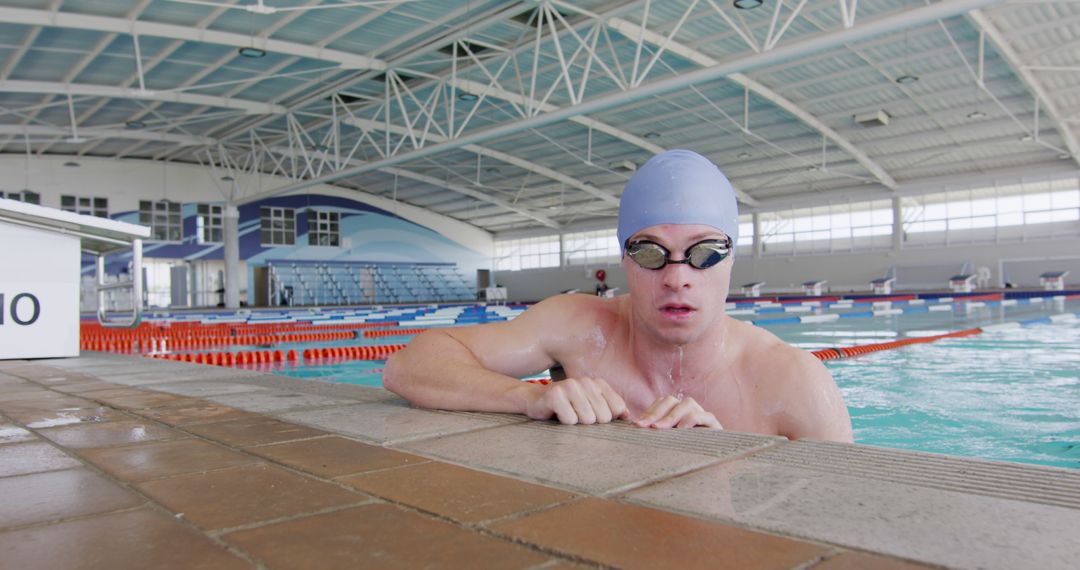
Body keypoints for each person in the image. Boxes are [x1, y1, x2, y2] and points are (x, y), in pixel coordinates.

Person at [384, 150, 853, 442]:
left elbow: (844, 530)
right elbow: (408, 366)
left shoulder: (794, 384)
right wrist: (527, 397)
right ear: (625, 261)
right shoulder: (578, 327)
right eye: (651, 253)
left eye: (705, 253)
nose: (677, 277)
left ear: (731, 259)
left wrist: (722, 463)